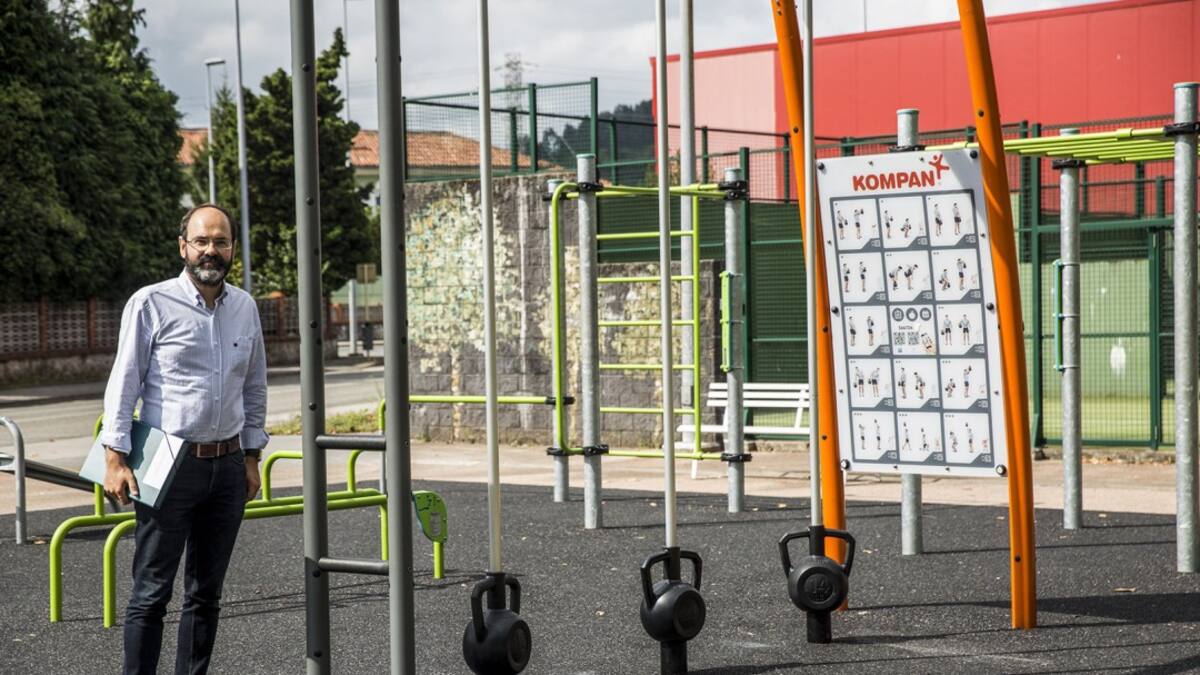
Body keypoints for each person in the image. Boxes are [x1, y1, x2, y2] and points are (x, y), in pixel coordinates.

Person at [100, 203, 269, 675]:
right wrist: (115, 458)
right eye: (202, 241)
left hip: (230, 464)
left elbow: (254, 388)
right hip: (165, 461)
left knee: (206, 594)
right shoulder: (150, 303)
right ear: (183, 246)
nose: (210, 250)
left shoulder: (245, 307)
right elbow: (124, 384)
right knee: (151, 592)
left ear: (232, 248)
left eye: (220, 241)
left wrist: (252, 457)